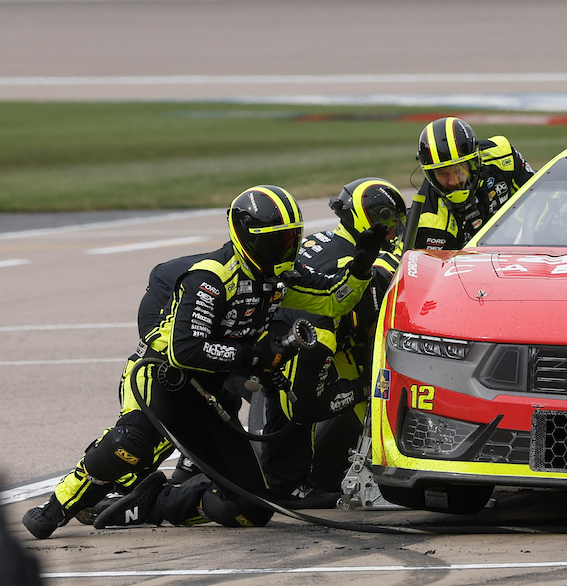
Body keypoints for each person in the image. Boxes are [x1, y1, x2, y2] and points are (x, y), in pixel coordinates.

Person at [22, 185, 388, 539]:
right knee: (132, 443)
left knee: (253, 509)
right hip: (163, 378)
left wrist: (361, 266)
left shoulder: (280, 275)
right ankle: (54, 509)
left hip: (209, 394)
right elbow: (186, 350)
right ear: (248, 237)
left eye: (293, 238)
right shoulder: (211, 277)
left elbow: (333, 300)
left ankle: (156, 503)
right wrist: (253, 356)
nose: (288, 249)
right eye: (279, 240)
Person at [258, 178, 405, 503]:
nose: (392, 229)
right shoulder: (353, 268)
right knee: (299, 405)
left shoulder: (331, 241)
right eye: (387, 219)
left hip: (280, 326)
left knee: (360, 385)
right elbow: (306, 406)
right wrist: (361, 388)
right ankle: (288, 486)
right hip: (287, 335)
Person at [403, 117, 535, 252]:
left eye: (458, 169)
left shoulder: (503, 155)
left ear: (475, 162)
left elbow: (540, 198)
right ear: (430, 175)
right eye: (442, 173)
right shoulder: (429, 222)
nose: (453, 181)